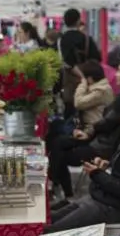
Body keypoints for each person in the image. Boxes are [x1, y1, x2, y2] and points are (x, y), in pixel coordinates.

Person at [47, 86, 120, 232]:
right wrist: (106, 167)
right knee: (49, 218)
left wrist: (97, 174)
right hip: (106, 200)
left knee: (51, 230)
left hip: (116, 208)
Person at [47, 60, 114, 199]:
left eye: (83, 77)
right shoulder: (95, 88)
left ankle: (54, 183)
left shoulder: (102, 91)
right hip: (87, 131)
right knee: (55, 142)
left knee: (57, 147)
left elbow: (79, 103)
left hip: (94, 136)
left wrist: (82, 82)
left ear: (89, 78)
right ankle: (61, 188)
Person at [58, 9, 101, 116]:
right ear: (78, 21)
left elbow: (66, 62)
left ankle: (70, 129)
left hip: (70, 80)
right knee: (87, 108)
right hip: (89, 79)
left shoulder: (62, 39)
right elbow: (97, 58)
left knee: (70, 107)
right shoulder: (87, 38)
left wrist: (78, 74)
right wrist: (84, 76)